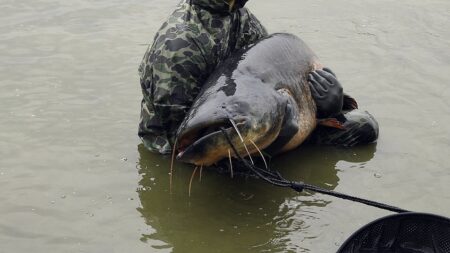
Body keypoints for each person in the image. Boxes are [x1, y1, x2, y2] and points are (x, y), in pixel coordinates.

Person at [138, 0, 378, 155]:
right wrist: (272, 146)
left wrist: (330, 104)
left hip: (249, 122)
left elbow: (264, 80)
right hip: (194, 146)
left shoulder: (240, 18)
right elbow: (178, 145)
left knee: (363, 127)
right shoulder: (179, 44)